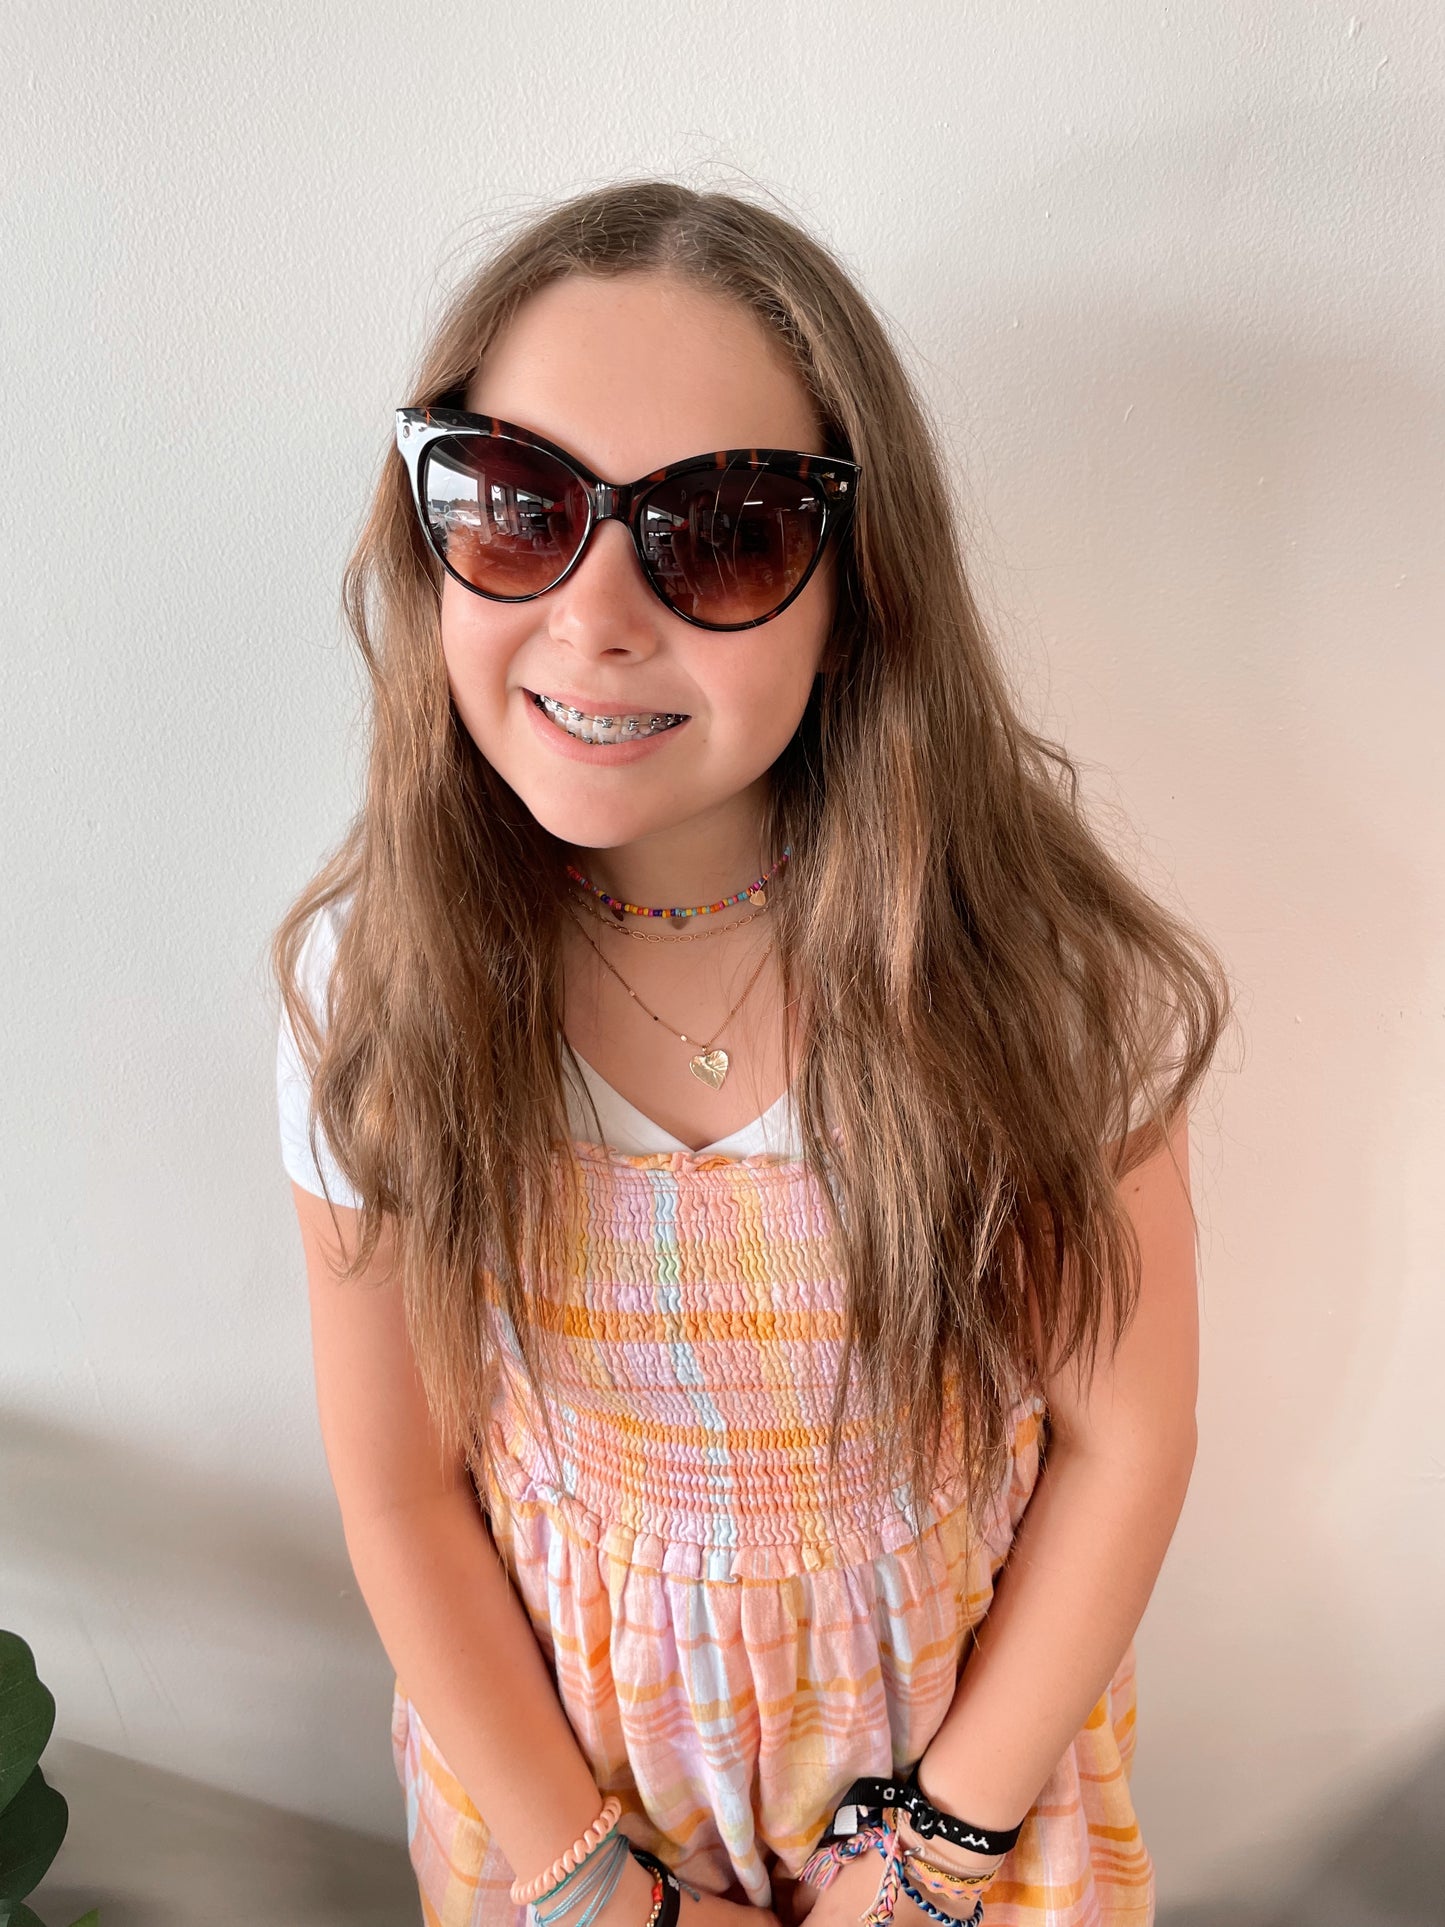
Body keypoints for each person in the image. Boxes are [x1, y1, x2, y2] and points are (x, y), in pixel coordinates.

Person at [272, 179, 1233, 1927]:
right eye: (515, 508)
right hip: (563, 1807)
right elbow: (400, 1493)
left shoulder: (1034, 979)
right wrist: (597, 1893)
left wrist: (935, 1860)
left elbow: (1127, 1437)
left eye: (717, 533)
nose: (595, 613)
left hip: (968, 1794)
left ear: (853, 593)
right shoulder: (382, 990)